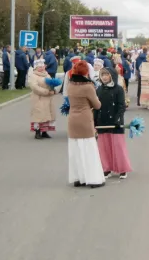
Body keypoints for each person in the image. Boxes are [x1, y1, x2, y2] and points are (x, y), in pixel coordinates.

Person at [65, 60, 106, 188]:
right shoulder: (88, 86)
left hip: (73, 119)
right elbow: (97, 105)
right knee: (89, 149)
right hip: (85, 119)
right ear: (86, 72)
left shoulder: (70, 85)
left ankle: (78, 178)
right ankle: (93, 179)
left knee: (75, 150)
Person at [93, 67, 132, 180]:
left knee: (118, 146)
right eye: (102, 75)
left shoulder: (118, 89)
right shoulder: (98, 90)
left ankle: (122, 169)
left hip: (115, 122)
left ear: (111, 76)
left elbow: (121, 106)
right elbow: (95, 107)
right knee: (104, 147)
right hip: (102, 122)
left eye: (106, 74)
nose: (104, 77)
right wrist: (94, 121)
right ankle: (107, 168)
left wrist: (118, 118)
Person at [28, 59, 57, 139]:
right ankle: (37, 132)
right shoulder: (33, 76)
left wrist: (53, 89)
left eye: (42, 66)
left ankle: (44, 131)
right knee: (39, 115)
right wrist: (46, 91)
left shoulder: (47, 75)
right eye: (39, 67)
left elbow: (51, 83)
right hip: (39, 98)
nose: (42, 68)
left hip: (48, 98)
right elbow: (34, 87)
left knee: (47, 115)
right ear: (36, 68)